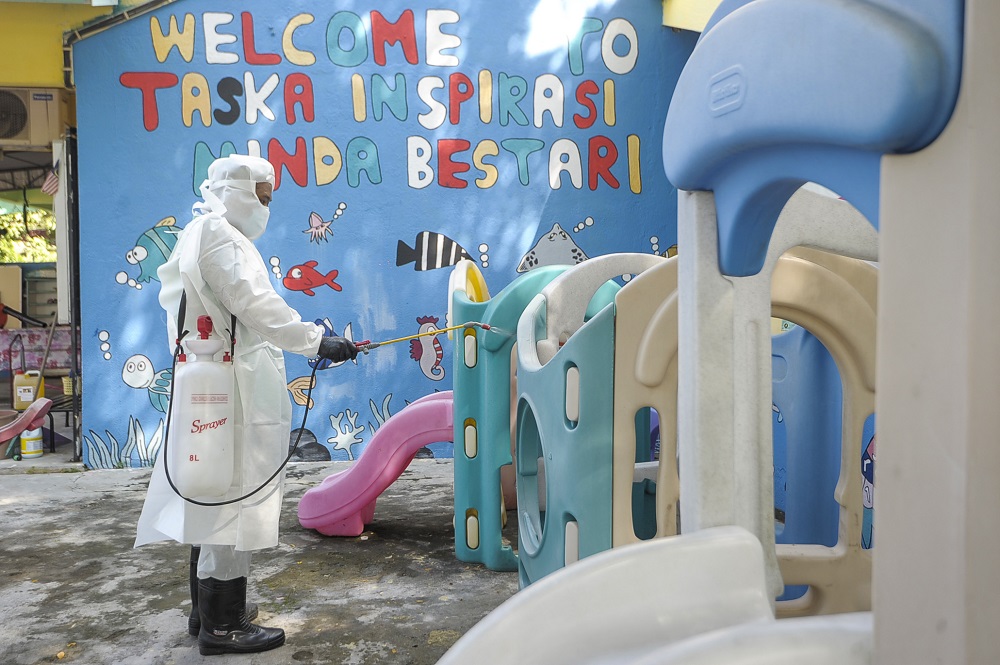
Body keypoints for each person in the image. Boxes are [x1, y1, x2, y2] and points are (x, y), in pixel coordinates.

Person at [134, 155, 357, 656]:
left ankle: (204, 610)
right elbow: (257, 305)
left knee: (213, 489)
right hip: (234, 385)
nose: (267, 207)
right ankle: (223, 624)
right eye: (262, 195)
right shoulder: (219, 237)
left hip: (215, 377)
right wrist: (317, 340)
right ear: (234, 190)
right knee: (232, 498)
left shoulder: (201, 231)